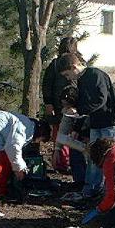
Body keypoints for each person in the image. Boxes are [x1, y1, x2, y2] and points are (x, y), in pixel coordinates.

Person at [57, 53, 115, 199]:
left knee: (113, 154)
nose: (68, 78)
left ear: (74, 67)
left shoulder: (95, 74)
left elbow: (100, 100)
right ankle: (93, 187)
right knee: (94, 155)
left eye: (67, 74)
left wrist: (79, 111)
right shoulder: (81, 79)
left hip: (110, 121)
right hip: (96, 122)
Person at [0, 110, 51, 218]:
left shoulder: (27, 124)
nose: (38, 142)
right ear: (41, 133)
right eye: (41, 140)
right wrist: (20, 168)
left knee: (4, 164)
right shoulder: (26, 129)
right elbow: (13, 147)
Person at [42, 37, 81, 173]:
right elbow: (47, 85)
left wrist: (48, 103)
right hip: (64, 105)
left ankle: (64, 163)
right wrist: (49, 103)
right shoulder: (58, 64)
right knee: (69, 134)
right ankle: (63, 163)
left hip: (63, 105)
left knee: (61, 134)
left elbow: (46, 85)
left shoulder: (55, 64)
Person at [53, 85, 89, 189]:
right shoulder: (67, 113)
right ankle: (79, 181)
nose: (66, 108)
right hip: (77, 138)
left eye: (68, 105)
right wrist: (57, 149)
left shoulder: (86, 107)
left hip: (89, 133)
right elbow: (62, 130)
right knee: (74, 154)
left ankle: (91, 183)